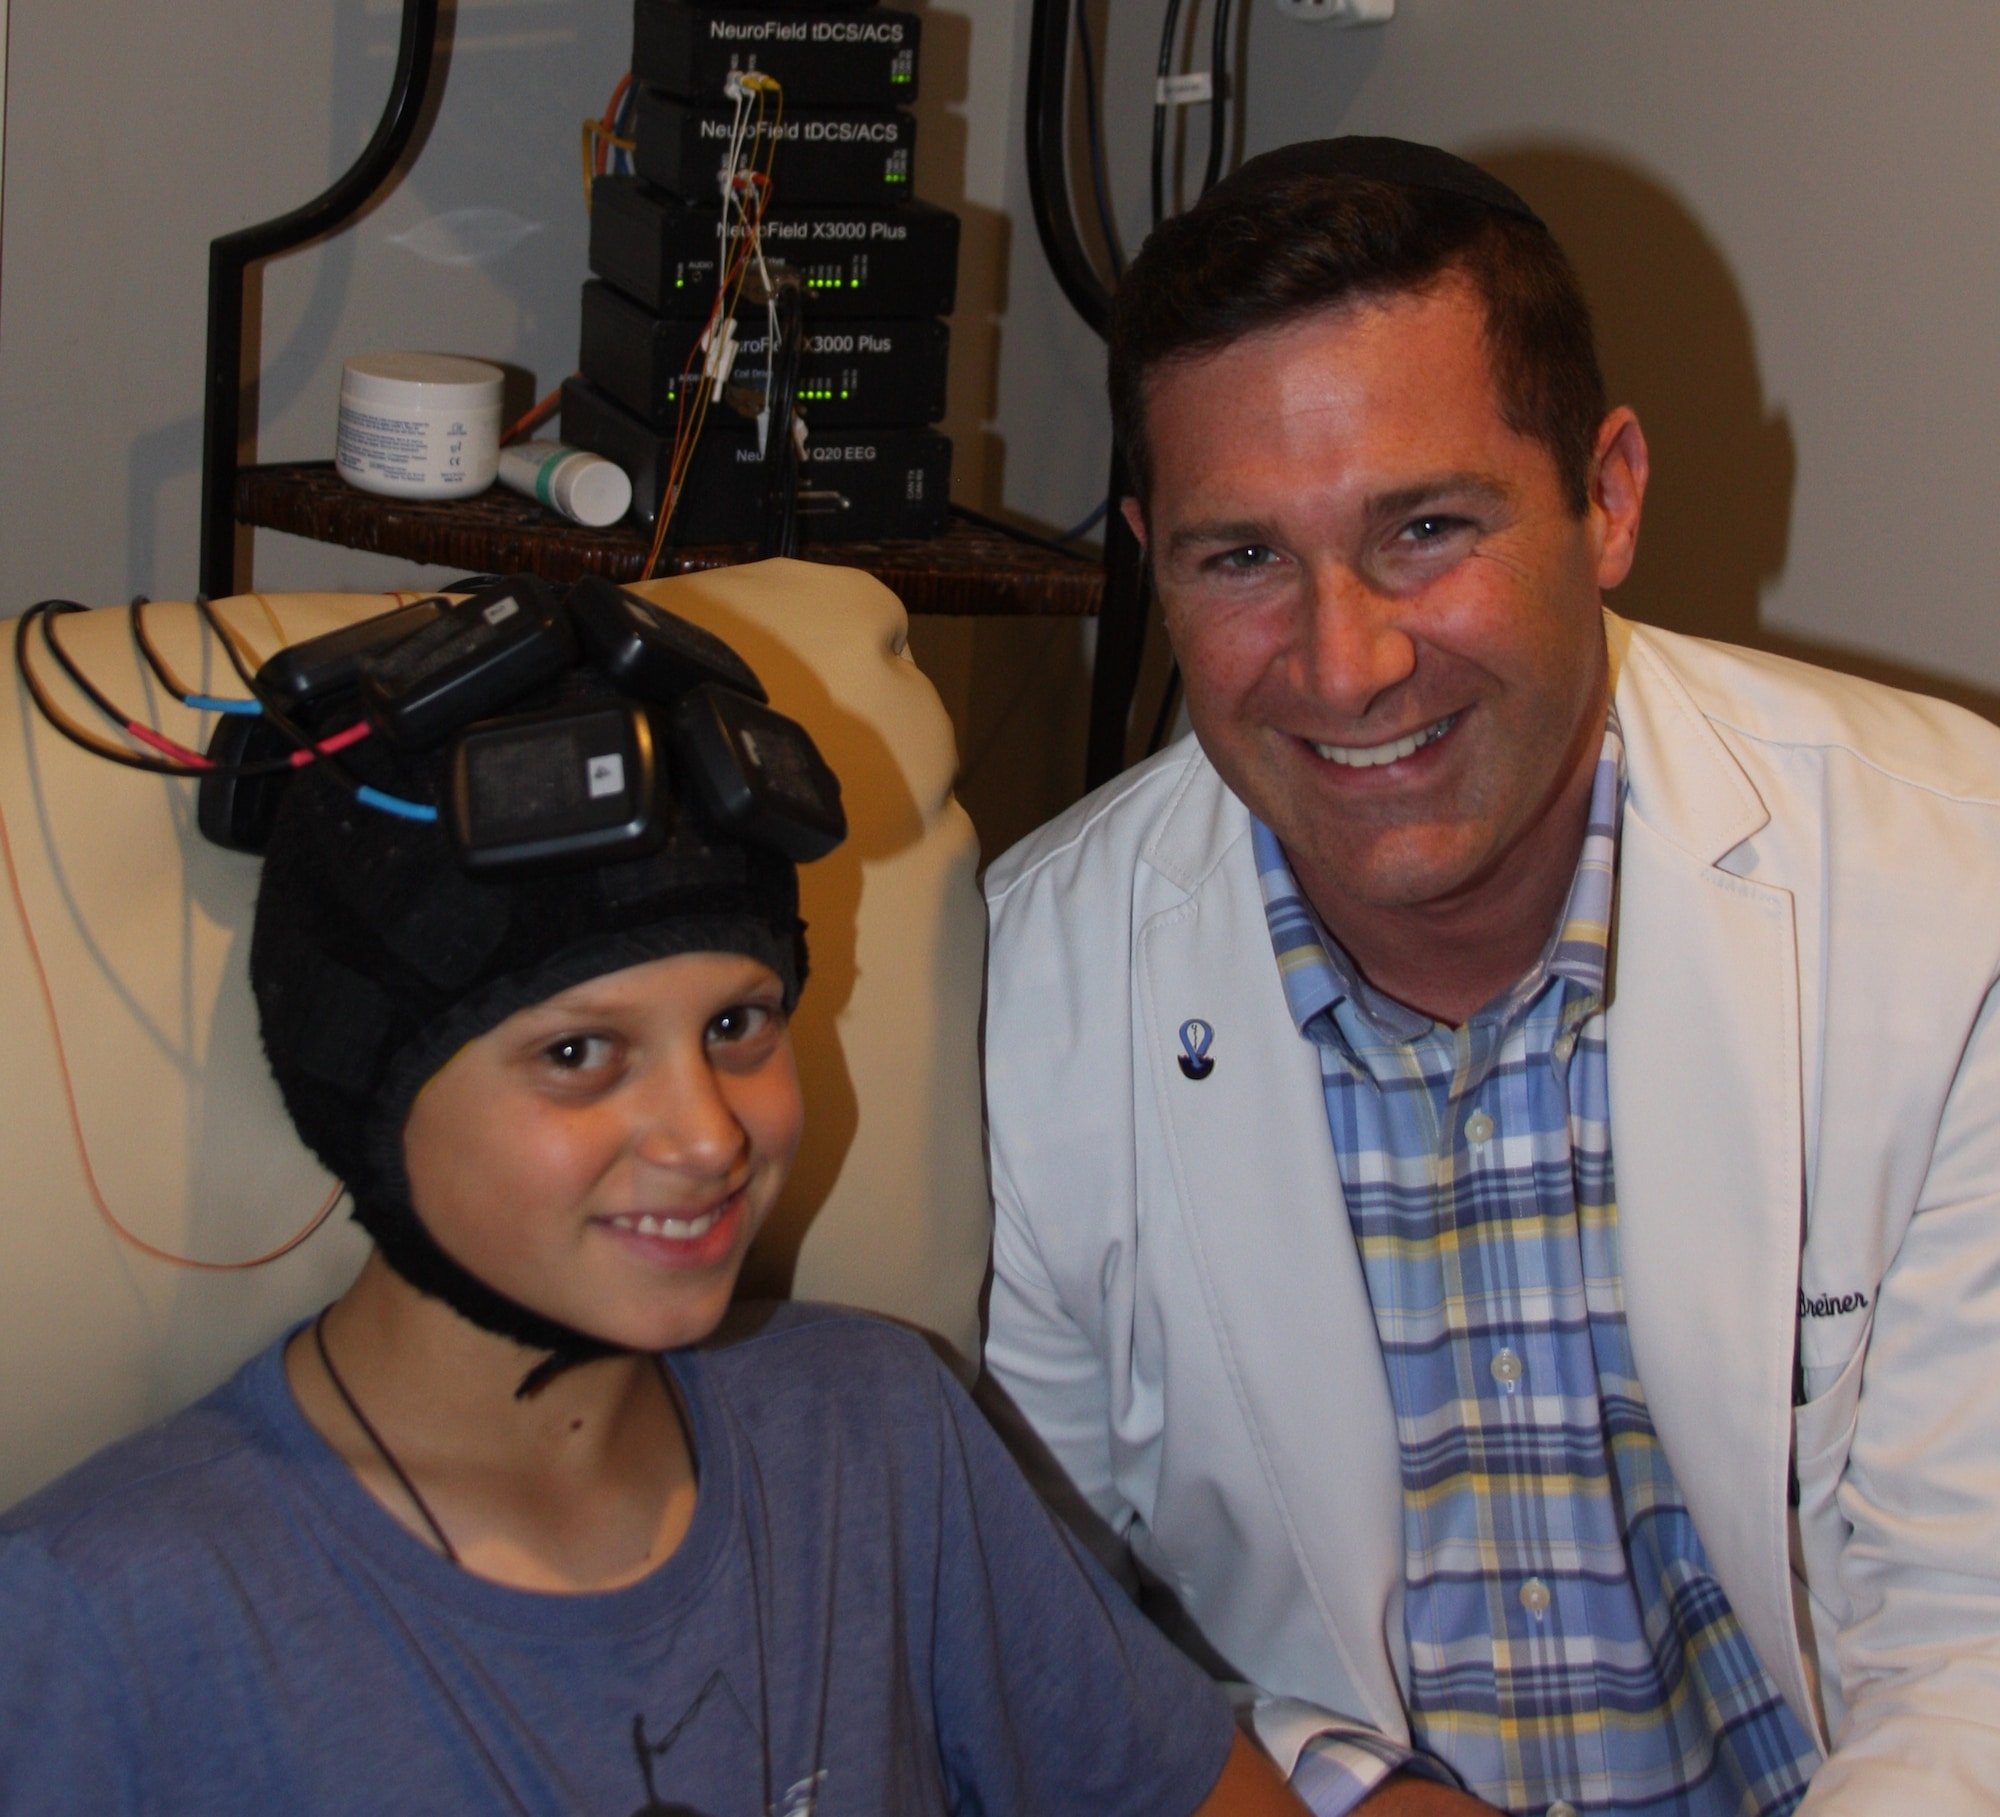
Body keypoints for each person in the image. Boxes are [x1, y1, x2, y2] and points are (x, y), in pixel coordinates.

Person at [981, 136, 2000, 1816]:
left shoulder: (1954, 908)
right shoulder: (1033, 993)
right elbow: (1045, 1634)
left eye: (1426, 527)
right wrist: (1338, 1790)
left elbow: (1970, 1652)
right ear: (1153, 556)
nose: (1346, 661)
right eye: (1241, 559)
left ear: (1606, 497)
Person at [0, 593, 1304, 1815]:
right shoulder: (102, 1617)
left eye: (738, 1022)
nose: (707, 1131)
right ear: (365, 1090)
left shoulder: (878, 1435)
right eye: (579, 1052)